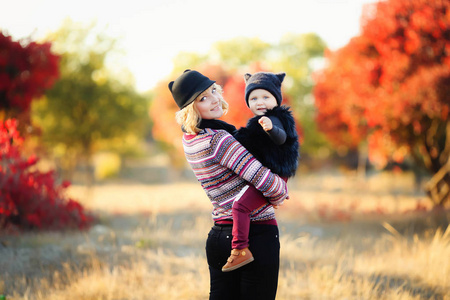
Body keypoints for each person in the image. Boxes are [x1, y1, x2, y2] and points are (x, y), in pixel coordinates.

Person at [168, 69, 289, 300]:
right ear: (191, 109)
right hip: (255, 234)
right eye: (202, 98)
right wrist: (281, 190)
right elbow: (270, 184)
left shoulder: (190, 139)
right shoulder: (219, 139)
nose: (213, 99)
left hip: (218, 236)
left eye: (213, 91)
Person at [222, 72, 299, 272]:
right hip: (268, 175)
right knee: (244, 203)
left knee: (240, 206)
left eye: (266, 97)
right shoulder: (255, 123)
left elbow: (281, 138)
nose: (260, 102)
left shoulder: (277, 119)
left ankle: (240, 249)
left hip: (275, 174)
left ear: (276, 99)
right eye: (254, 98)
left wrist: (271, 128)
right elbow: (246, 143)